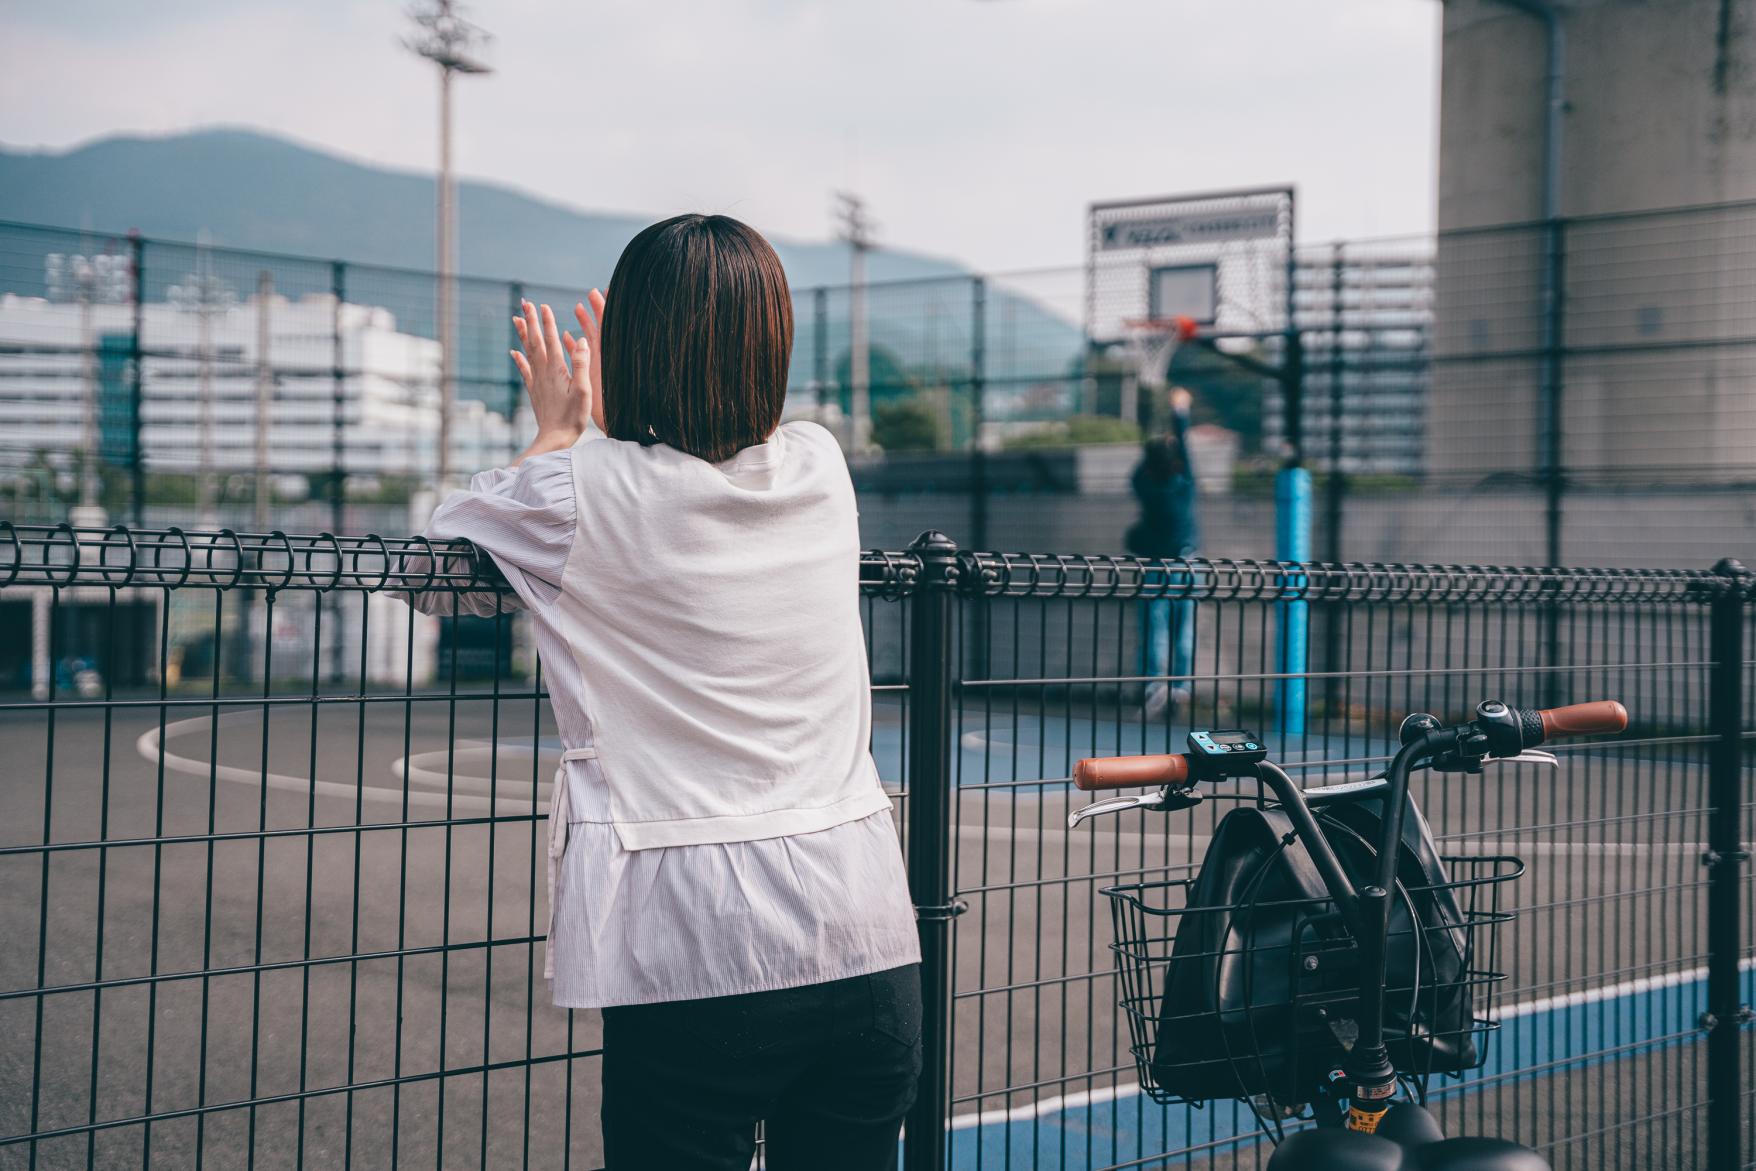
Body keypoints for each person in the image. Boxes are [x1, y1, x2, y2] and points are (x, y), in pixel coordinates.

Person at [399, 215, 921, 1170]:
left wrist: (558, 431)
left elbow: (432, 578)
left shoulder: (575, 494)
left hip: (696, 951)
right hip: (868, 935)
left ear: (629, 345)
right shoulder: (819, 466)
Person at [1125, 387, 1199, 719]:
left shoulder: (1147, 488)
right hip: (1185, 562)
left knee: (1154, 630)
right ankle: (1180, 687)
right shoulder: (1183, 486)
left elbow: (1140, 471)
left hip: (1156, 567)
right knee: (1183, 630)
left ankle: (1153, 687)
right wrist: (1179, 415)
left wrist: (1152, 443)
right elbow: (1185, 452)